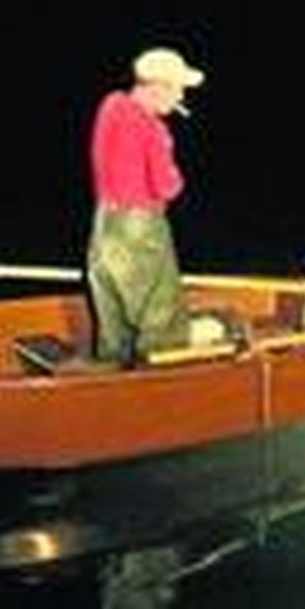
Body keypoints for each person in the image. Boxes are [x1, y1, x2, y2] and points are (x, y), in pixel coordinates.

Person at [86, 45, 205, 367]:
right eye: (178, 88)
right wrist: (174, 168)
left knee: (113, 316)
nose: (181, 95)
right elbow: (167, 186)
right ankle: (162, 391)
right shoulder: (154, 130)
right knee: (160, 315)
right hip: (140, 227)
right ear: (158, 87)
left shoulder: (111, 105)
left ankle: (111, 376)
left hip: (105, 221)